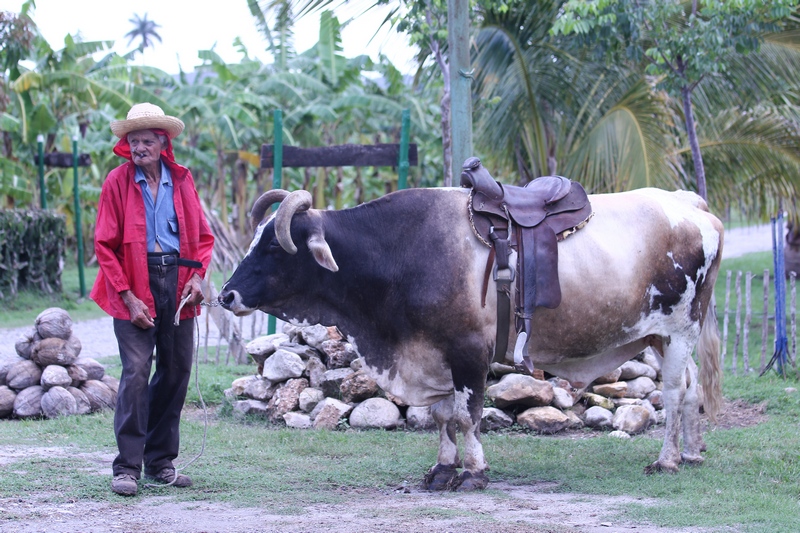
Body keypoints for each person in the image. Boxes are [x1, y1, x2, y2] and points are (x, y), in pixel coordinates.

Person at [90, 103, 215, 496]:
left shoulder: (182, 180)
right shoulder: (117, 182)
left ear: (163, 143)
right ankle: (127, 467)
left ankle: (160, 461)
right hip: (132, 282)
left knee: (176, 370)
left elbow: (203, 237)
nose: (139, 147)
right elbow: (104, 245)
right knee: (136, 371)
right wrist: (128, 297)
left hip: (177, 282)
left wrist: (197, 277)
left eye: (146, 140)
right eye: (133, 140)